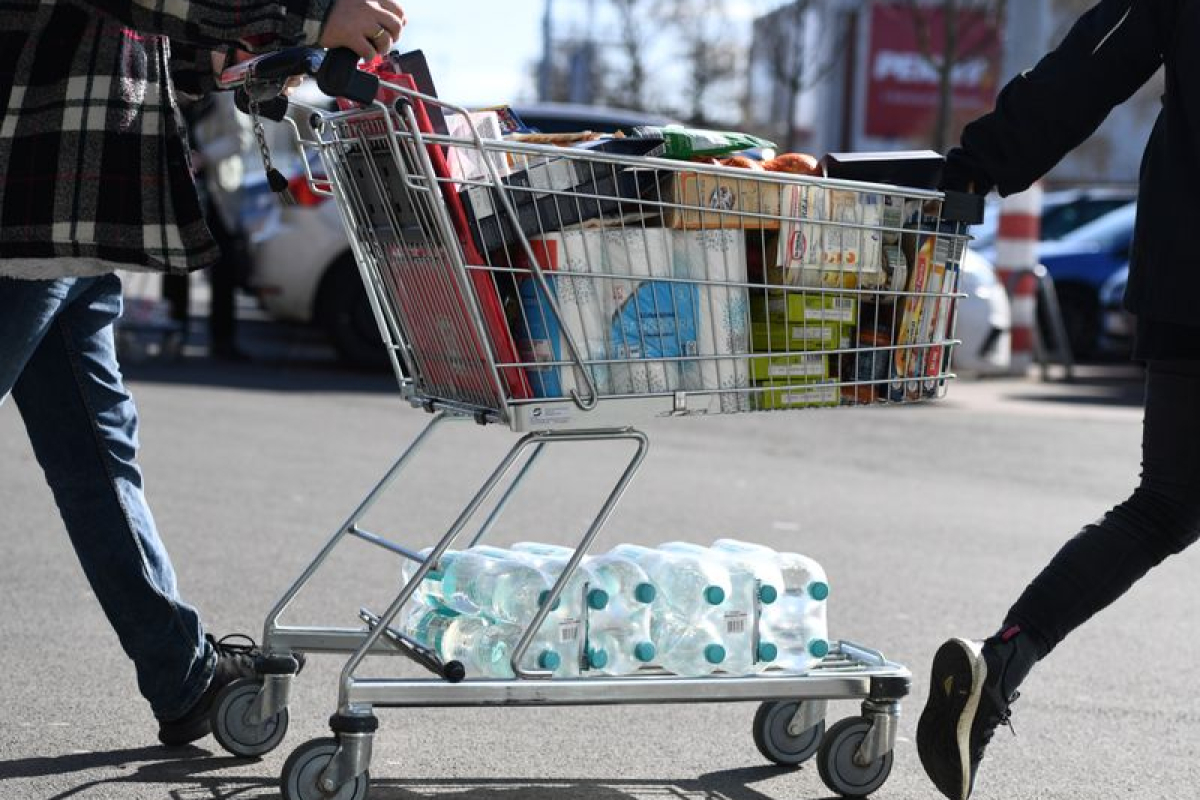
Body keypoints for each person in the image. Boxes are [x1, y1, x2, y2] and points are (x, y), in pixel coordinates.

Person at [0, 0, 406, 747]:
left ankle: (181, 674)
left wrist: (237, 53)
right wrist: (306, 14)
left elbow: (137, 33)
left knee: (97, 454)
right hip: (25, 171)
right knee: (97, 457)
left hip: (74, 193)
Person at [916, 2, 1196, 798]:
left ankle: (1001, 661)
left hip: (1187, 275)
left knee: (1165, 507)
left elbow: (1091, 65)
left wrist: (981, 163)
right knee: (1168, 508)